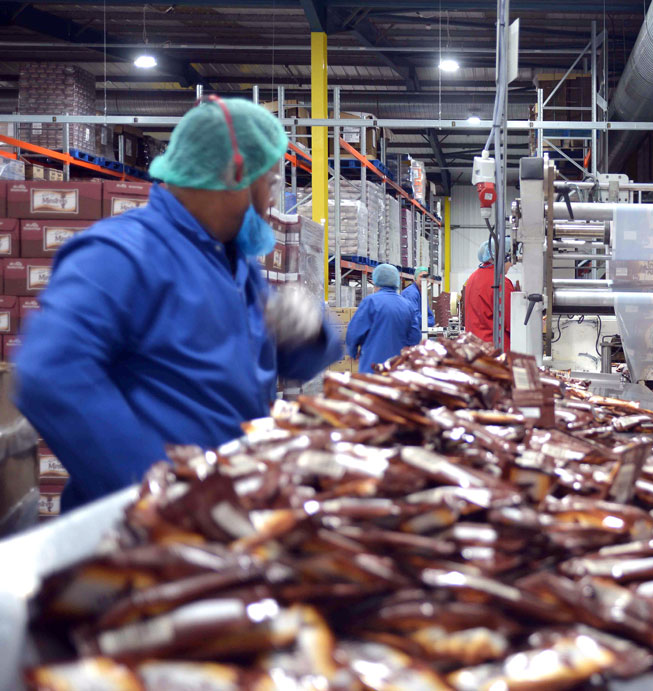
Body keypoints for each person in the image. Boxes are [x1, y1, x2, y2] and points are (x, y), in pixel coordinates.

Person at [15, 96, 342, 511]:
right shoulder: (120, 255)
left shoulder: (236, 265)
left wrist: (310, 333)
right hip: (143, 530)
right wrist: (155, 488)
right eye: (272, 183)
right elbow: (50, 374)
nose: (273, 202)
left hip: (224, 508)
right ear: (238, 173)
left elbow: (278, 364)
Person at [345, 264, 420, 372]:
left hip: (372, 367)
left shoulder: (370, 302)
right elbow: (415, 337)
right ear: (396, 282)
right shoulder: (407, 305)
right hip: (398, 368)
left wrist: (352, 352)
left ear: (376, 281)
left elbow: (354, 332)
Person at [463, 238, 515, 350]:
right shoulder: (501, 282)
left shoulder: (473, 277)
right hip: (494, 350)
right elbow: (512, 323)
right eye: (510, 260)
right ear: (503, 258)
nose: (511, 265)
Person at [401, 265, 436, 333]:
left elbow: (430, 315)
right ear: (415, 278)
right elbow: (414, 317)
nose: (424, 279)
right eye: (421, 276)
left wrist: (429, 322)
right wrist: (429, 323)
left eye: (426, 276)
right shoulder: (411, 293)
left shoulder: (422, 293)